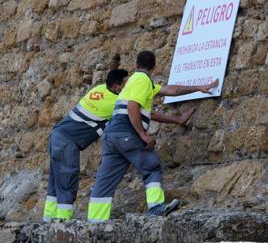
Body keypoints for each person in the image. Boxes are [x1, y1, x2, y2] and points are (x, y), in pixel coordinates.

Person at [87, 51, 219, 222]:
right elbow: (133, 107)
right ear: (155, 66)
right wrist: (143, 134)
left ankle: (95, 222)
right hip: (125, 132)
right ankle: (156, 208)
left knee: (106, 180)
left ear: (136, 64)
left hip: (111, 136)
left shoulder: (137, 81)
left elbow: (172, 90)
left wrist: (199, 88)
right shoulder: (142, 81)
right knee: (151, 165)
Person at [43, 68, 129, 222]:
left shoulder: (99, 89)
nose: (128, 87)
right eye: (126, 84)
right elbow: (135, 109)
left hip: (57, 135)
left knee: (55, 182)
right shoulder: (114, 103)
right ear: (117, 87)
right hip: (67, 142)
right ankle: (63, 223)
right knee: (67, 180)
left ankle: (48, 220)